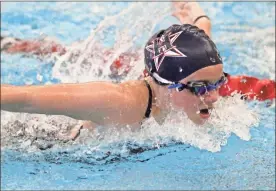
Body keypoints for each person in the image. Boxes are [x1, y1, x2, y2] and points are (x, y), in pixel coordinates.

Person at [1, 2, 275, 141]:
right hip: (53, 140)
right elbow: (24, 97)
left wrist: (194, 13)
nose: (215, 96)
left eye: (219, 82)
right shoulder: (118, 103)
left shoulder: (200, 65)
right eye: (201, 87)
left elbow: (198, 25)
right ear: (167, 83)